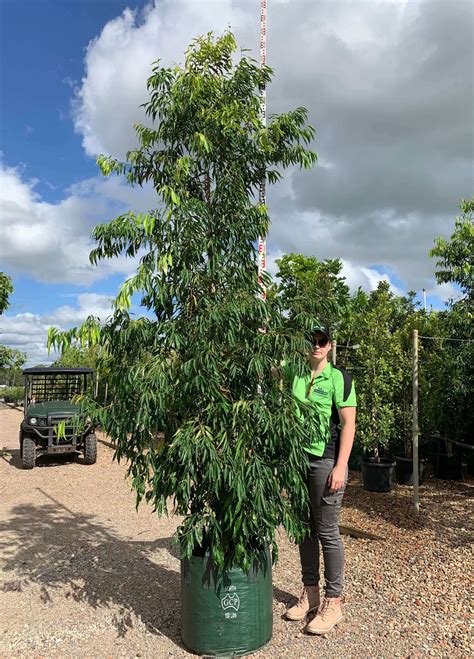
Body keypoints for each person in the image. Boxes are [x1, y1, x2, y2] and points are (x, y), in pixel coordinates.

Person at [284, 322, 356, 635]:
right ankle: (310, 591)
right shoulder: (295, 372)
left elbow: (349, 424)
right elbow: (267, 366)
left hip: (325, 460)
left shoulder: (339, 378)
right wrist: (261, 335)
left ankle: (334, 601)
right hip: (297, 459)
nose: (316, 345)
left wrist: (341, 466)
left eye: (321, 340)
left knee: (327, 531)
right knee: (304, 528)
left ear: (329, 345)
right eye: (311, 340)